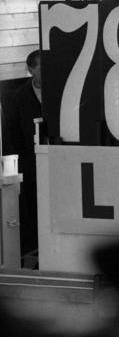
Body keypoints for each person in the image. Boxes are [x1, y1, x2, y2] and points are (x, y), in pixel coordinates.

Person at [5, 50, 43, 260]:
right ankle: (39, 249)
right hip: (31, 162)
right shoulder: (18, 97)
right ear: (31, 69)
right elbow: (13, 132)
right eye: (41, 68)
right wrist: (22, 163)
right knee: (35, 206)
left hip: (57, 158)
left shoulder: (60, 91)